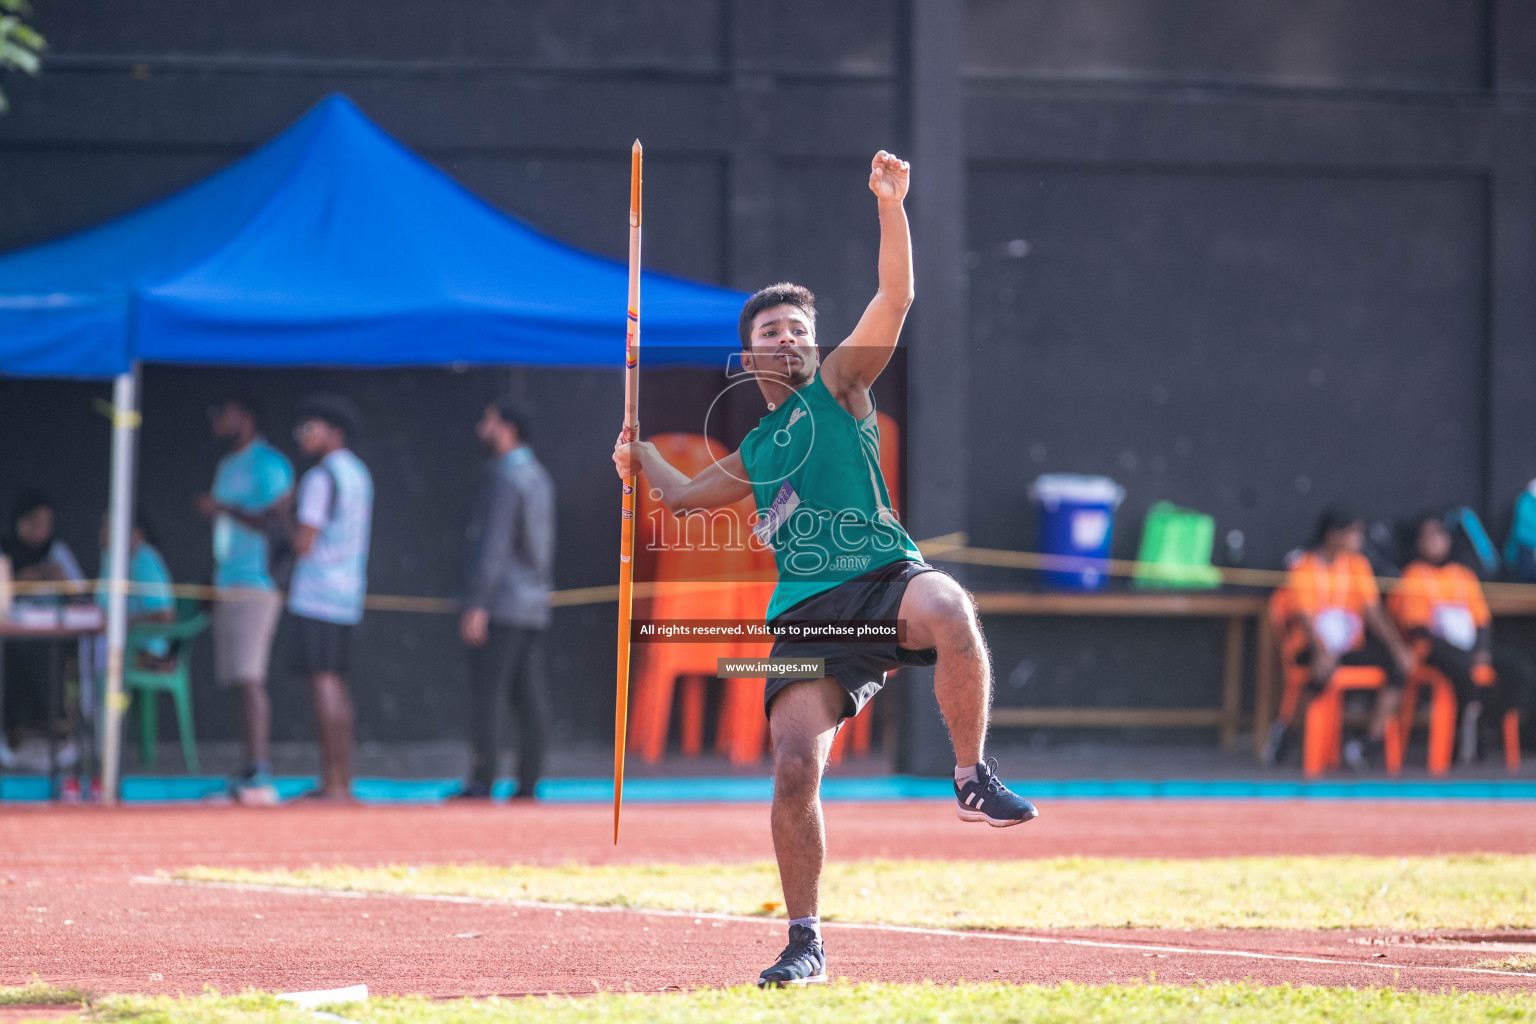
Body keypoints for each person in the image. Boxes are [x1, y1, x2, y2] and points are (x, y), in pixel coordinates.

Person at [613, 151, 1037, 989]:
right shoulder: (760, 446)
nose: (790, 337)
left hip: (884, 579)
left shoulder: (841, 384)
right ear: (748, 356)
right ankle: (804, 939)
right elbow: (693, 499)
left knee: (949, 604)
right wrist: (638, 464)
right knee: (795, 765)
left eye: (800, 327)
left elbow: (897, 297)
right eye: (772, 331)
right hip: (809, 619)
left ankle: (969, 773)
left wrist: (889, 204)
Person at [196, 393, 294, 806]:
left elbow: (280, 525)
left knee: (251, 677)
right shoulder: (226, 465)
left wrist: (224, 507)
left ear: (247, 415)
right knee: (239, 679)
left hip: (258, 582)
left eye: (225, 411)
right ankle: (249, 765)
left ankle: (261, 770)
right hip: (228, 582)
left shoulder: (269, 464)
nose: (217, 418)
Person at [457, 398, 555, 800]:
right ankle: (528, 782)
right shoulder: (537, 475)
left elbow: (494, 545)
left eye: (489, 421)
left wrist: (477, 602)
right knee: (528, 694)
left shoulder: (505, 477)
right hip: (533, 600)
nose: (482, 429)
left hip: (502, 601)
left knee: (490, 693)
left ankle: (484, 781)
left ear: (508, 428)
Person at [1279, 506, 1415, 771]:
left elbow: (1373, 612)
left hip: (1349, 645)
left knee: (1397, 667)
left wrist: (1398, 647)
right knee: (1320, 672)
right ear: (1333, 534)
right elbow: (1304, 617)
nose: (1359, 540)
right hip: (1312, 644)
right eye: (1353, 533)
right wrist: (1320, 650)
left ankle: (1368, 744)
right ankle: (1289, 732)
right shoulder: (1304, 566)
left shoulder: (1358, 565)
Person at [286, 394, 373, 802]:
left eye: (311, 427)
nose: (303, 436)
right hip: (347, 595)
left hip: (317, 594)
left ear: (334, 432)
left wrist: (283, 513)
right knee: (338, 685)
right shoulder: (360, 475)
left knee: (323, 685)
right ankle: (344, 780)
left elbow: (304, 542)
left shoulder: (320, 478)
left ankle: (333, 781)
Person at [1390, 514, 1526, 764]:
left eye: (1439, 535)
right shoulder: (1413, 575)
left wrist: (1482, 649)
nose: (1435, 542)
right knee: (1463, 670)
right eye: (1428, 536)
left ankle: (1486, 724)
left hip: (1470, 647)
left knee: (1520, 671)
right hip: (1432, 649)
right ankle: (1458, 736)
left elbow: (1481, 620)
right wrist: (1463, 653)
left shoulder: (1462, 575)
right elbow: (1417, 628)